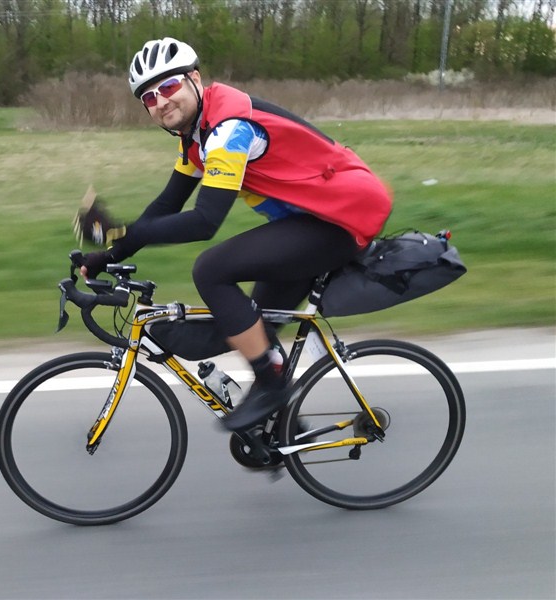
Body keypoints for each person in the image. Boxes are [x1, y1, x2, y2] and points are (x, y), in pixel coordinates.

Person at [79, 37, 393, 432]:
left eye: (169, 86)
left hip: (343, 217)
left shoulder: (228, 129)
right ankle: (282, 432)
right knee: (251, 325)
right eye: (149, 97)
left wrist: (122, 232)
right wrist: (109, 254)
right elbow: (167, 205)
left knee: (211, 269)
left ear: (195, 79)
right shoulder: (197, 137)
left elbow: (205, 221)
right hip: (313, 220)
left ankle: (272, 388)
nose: (161, 102)